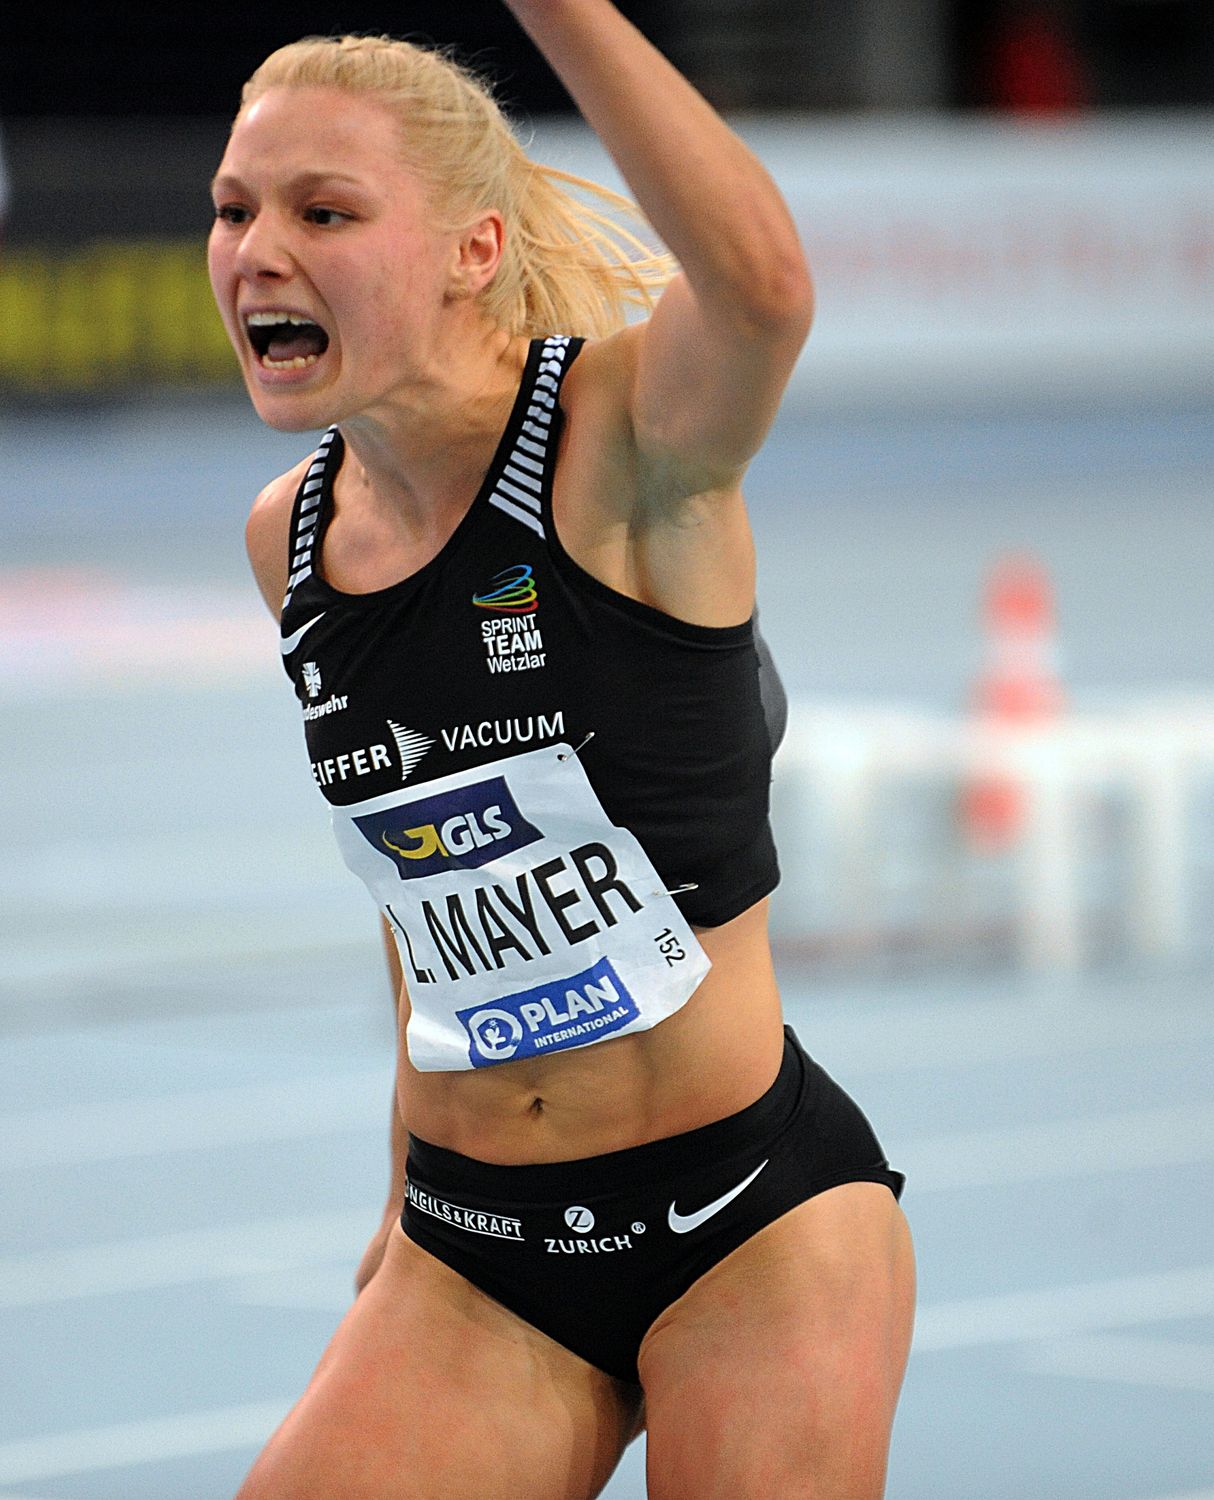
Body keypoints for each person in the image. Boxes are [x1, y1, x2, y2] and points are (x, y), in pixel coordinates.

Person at [208, 4, 914, 1496]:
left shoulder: (621, 442)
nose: (257, 251)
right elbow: (421, 876)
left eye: (323, 212)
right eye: (234, 208)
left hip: (746, 1223)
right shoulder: (293, 539)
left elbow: (763, 290)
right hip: (474, 1252)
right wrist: (398, 1203)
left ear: (472, 250)